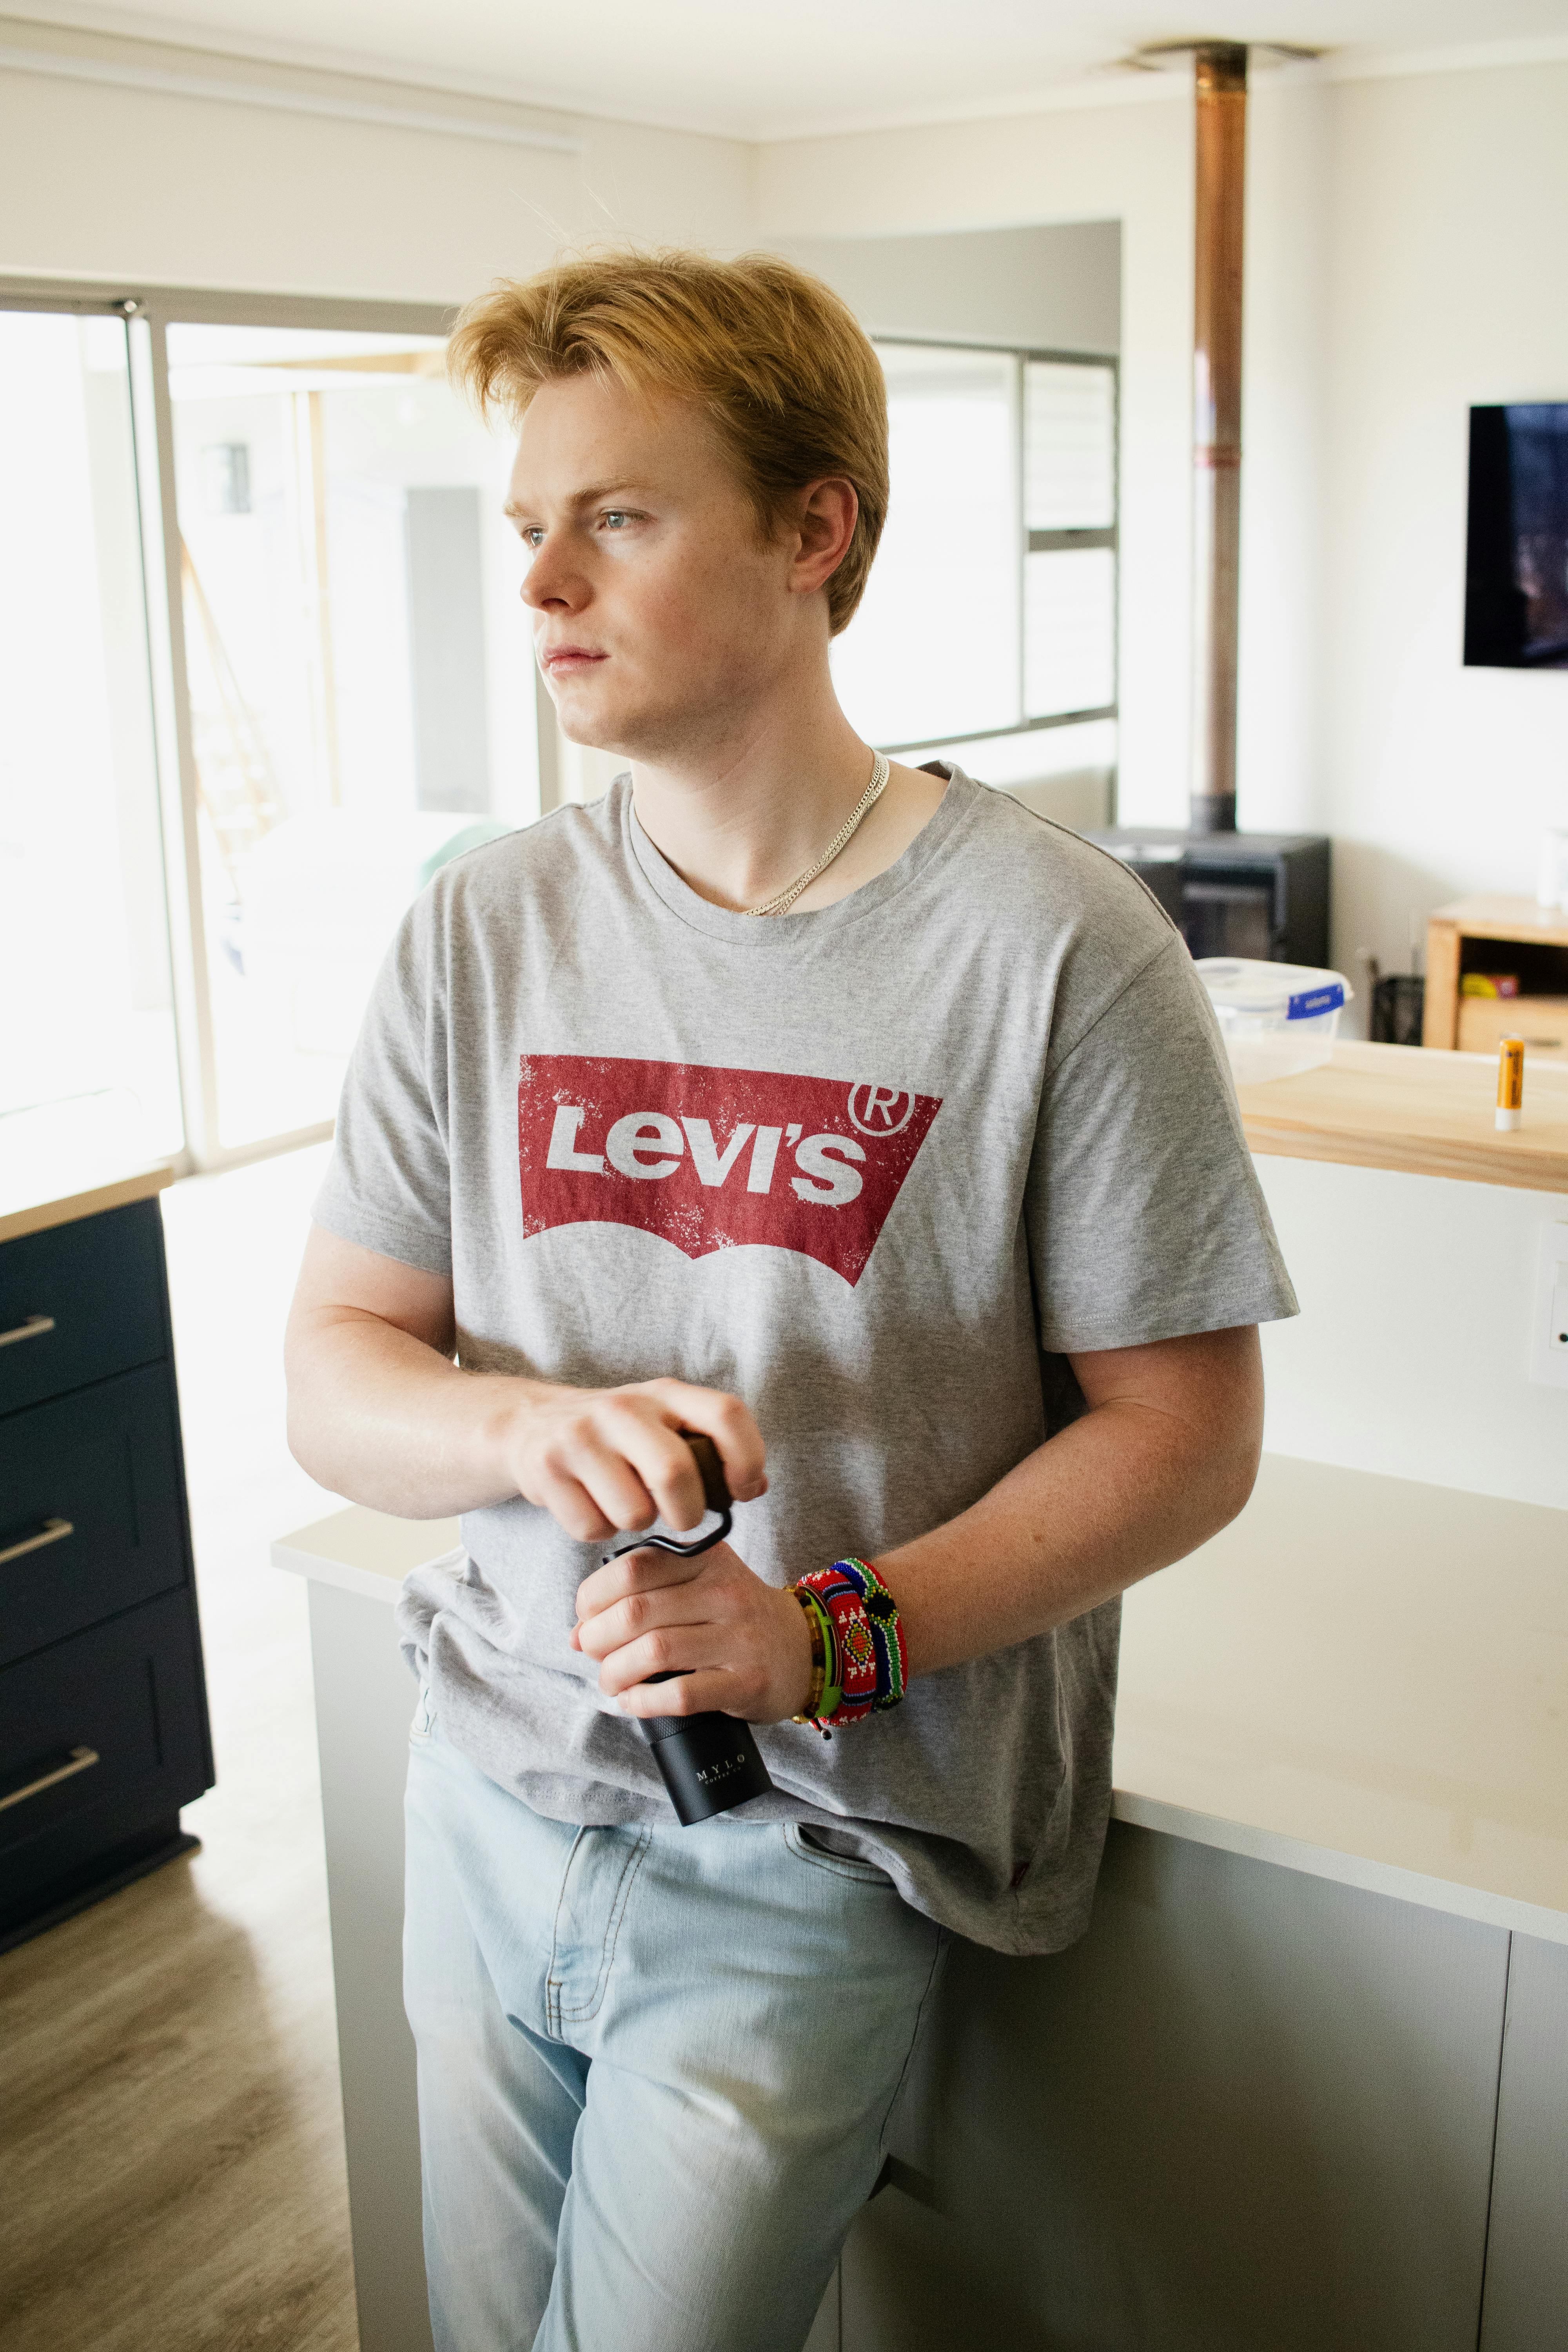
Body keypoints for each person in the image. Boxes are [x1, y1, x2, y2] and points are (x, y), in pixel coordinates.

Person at [284, 247, 1298, 2352]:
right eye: (528, 525)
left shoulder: (1053, 947)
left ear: (812, 531)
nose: (546, 580)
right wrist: (517, 1428)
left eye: (620, 517)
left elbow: (1186, 1436)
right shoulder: (483, 922)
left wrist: (823, 1634)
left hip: (826, 1843)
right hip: (484, 1780)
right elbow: (336, 1369)